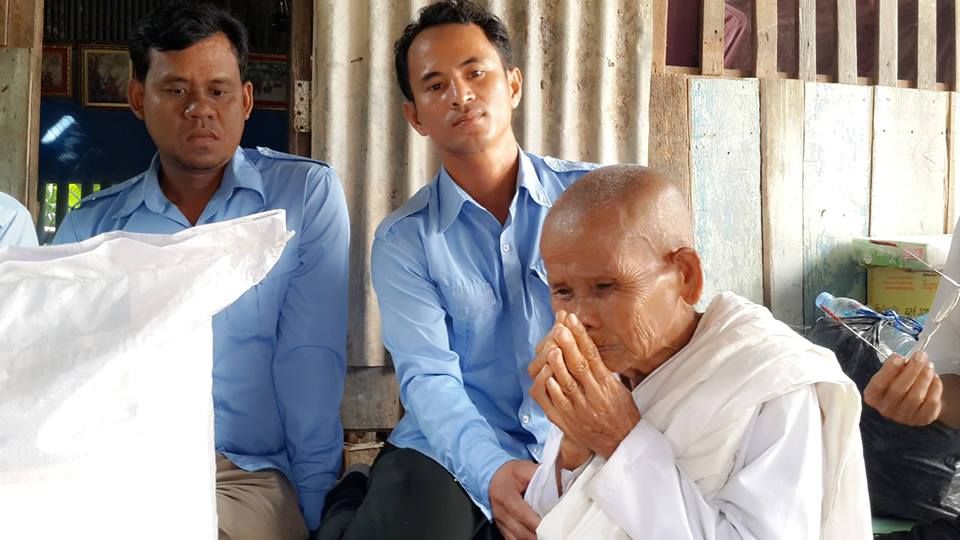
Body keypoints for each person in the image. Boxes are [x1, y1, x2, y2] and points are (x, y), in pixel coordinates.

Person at [51, 3, 349, 539]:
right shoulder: (91, 229)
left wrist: (314, 514)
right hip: (118, 471)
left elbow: (310, 365)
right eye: (176, 90)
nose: (199, 109)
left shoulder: (301, 199)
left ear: (246, 100)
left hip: (243, 476)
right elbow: (64, 377)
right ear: (138, 98)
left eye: (218, 90)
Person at [317, 2, 597, 539]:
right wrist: (491, 472)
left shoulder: (590, 200)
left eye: (476, 73)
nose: (460, 95)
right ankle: (350, 502)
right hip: (446, 449)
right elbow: (429, 378)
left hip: (575, 443)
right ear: (416, 117)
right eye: (436, 84)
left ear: (513, 85)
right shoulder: (405, 240)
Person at [523, 165, 872, 539]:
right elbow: (548, 519)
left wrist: (620, 439)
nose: (580, 317)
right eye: (563, 292)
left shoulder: (770, 381)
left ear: (686, 276)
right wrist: (574, 450)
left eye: (605, 286)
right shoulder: (603, 372)